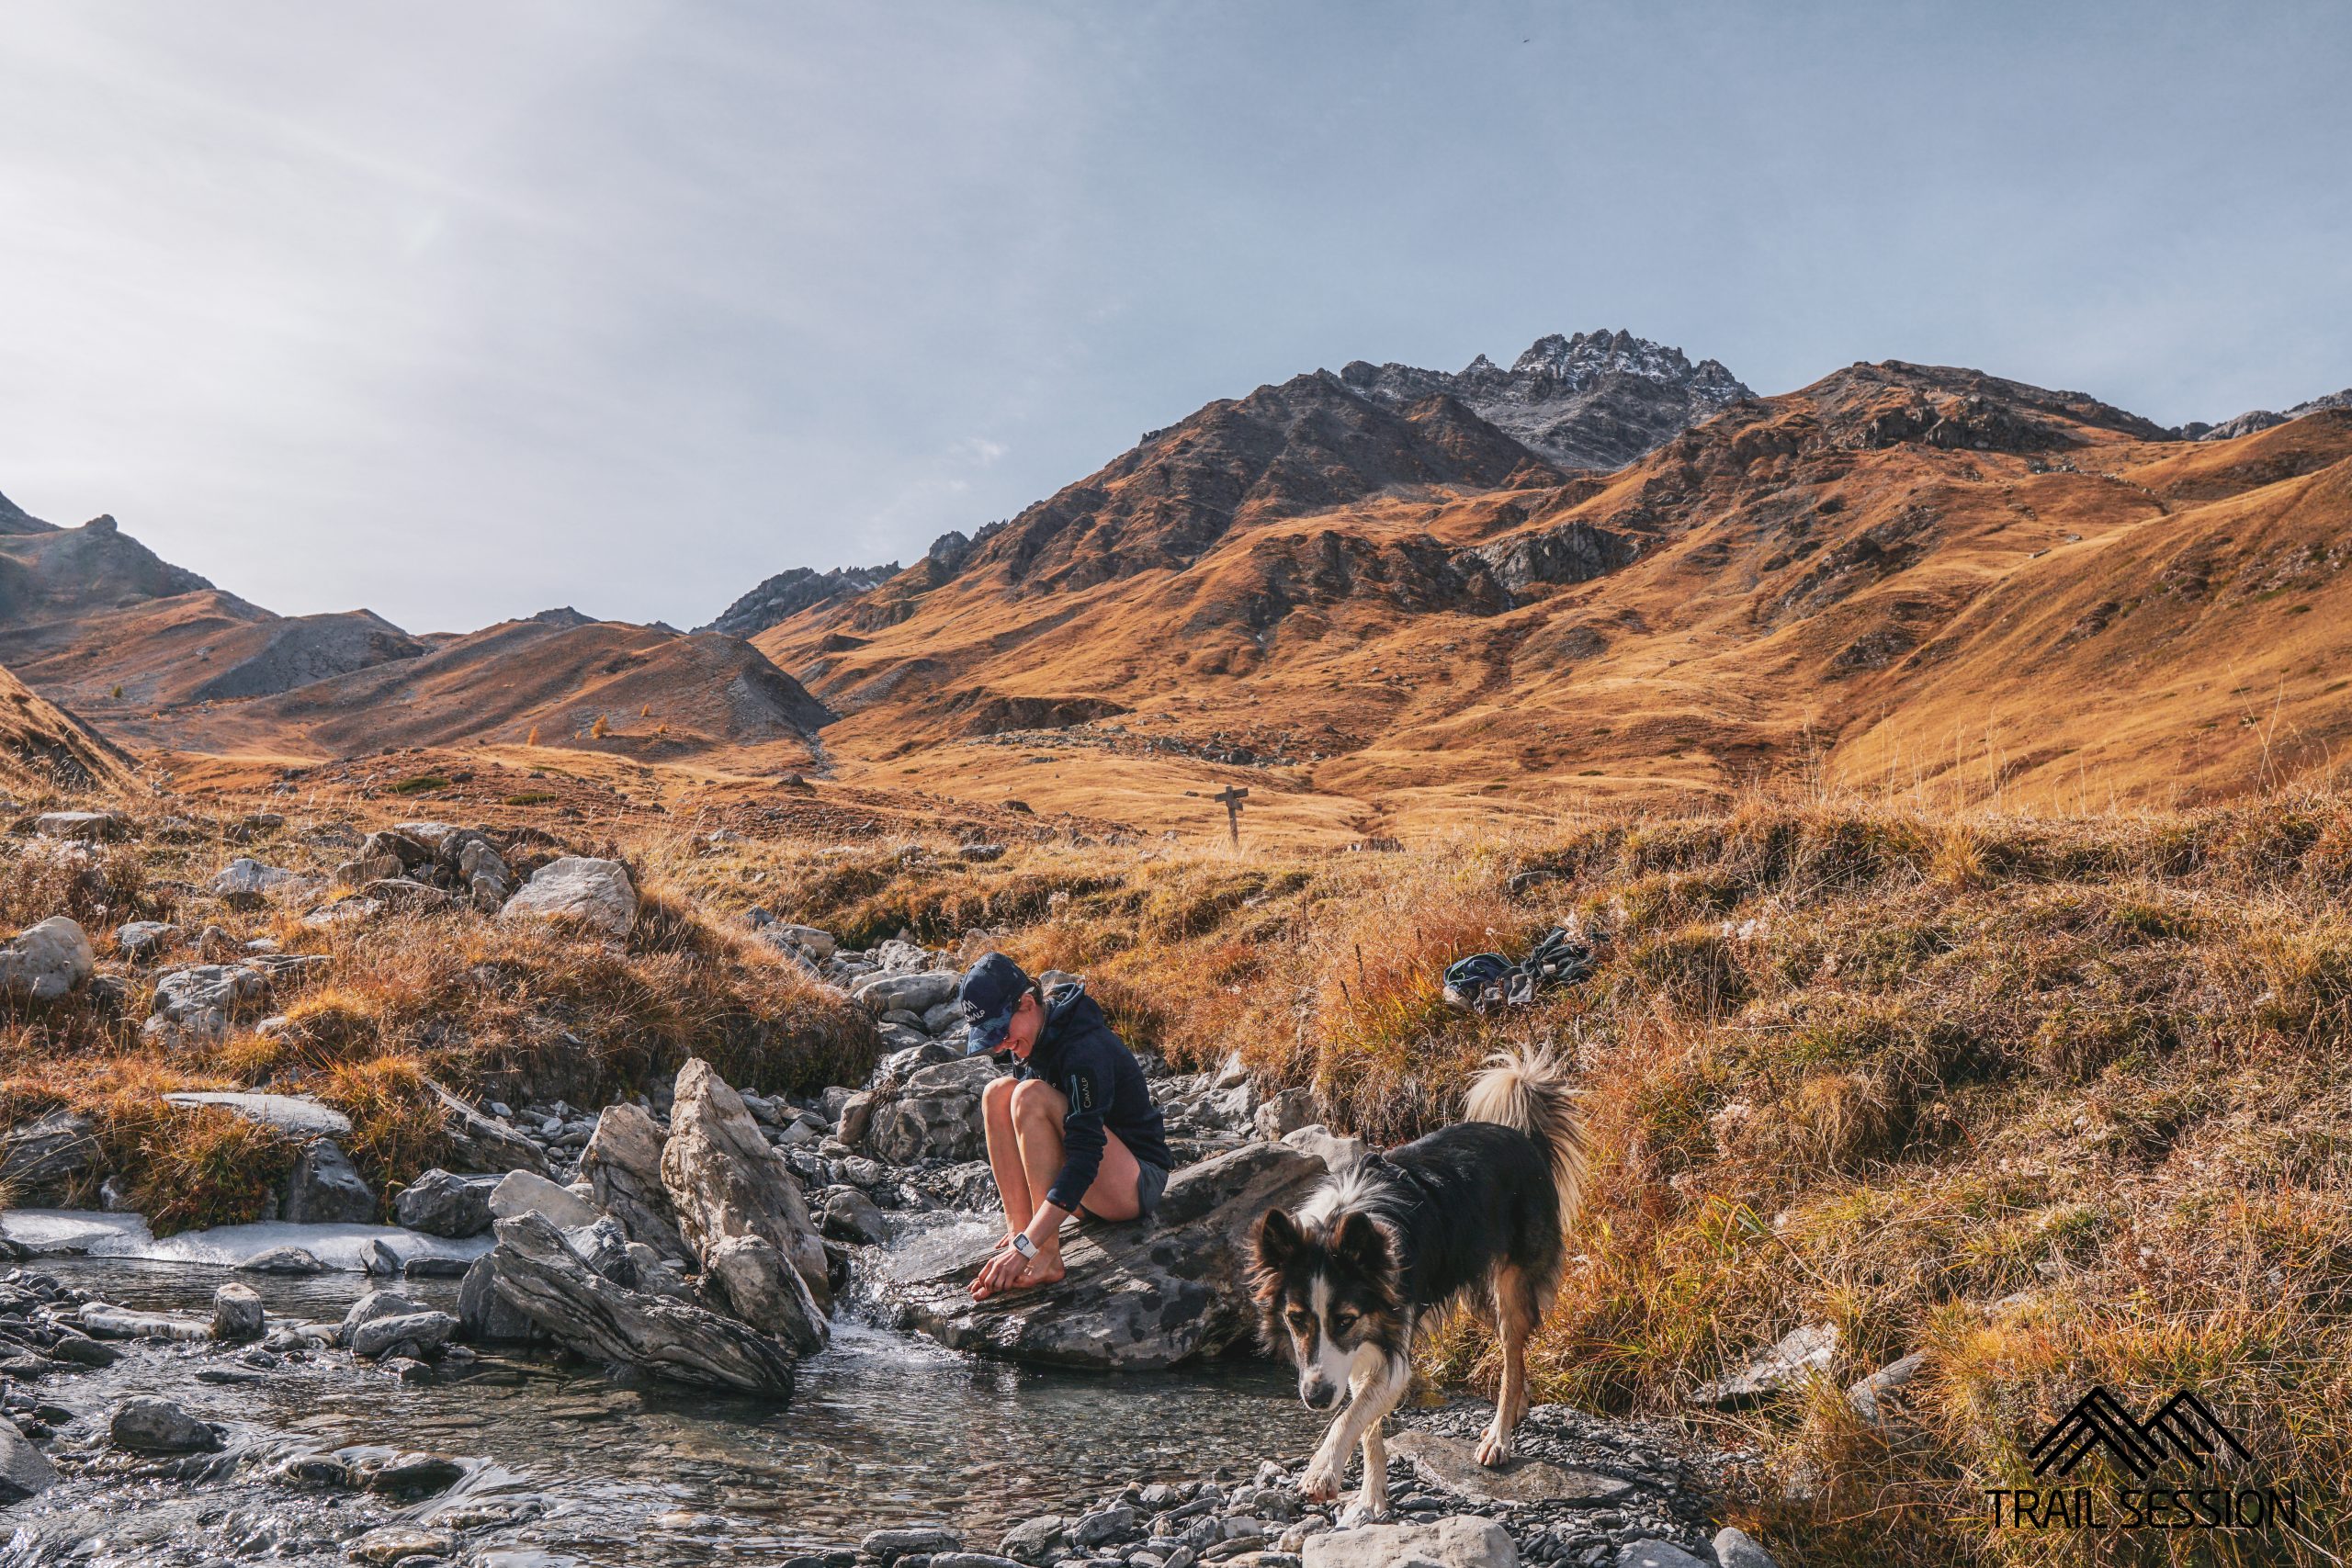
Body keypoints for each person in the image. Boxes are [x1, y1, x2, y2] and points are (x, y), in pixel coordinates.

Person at [957, 952, 1173, 1300]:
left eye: (1000, 1030)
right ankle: (1019, 1231)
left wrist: (1029, 1249)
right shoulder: (1031, 1039)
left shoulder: (1084, 1048)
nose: (999, 1045)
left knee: (1030, 1095)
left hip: (1133, 1184)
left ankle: (1045, 1257)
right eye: (989, 1036)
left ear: (1027, 1004)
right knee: (997, 1092)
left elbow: (1086, 1155)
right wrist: (1021, 1241)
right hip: (1087, 1190)